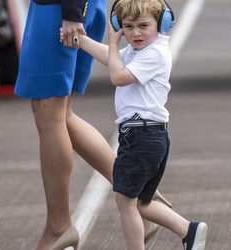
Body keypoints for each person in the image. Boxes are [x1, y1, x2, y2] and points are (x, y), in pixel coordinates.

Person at [14, 0, 172, 249]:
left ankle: (58, 227)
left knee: (49, 113)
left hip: (61, 10)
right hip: (72, 9)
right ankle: (142, 196)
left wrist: (72, 15)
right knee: (61, 115)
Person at [60, 0, 208, 249]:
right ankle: (188, 230)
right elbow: (111, 57)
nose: (135, 32)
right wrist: (80, 40)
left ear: (162, 24)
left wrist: (115, 42)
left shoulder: (156, 53)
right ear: (120, 25)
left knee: (125, 203)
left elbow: (118, 76)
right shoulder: (141, 49)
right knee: (140, 202)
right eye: (127, 26)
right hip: (147, 136)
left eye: (143, 25)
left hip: (142, 136)